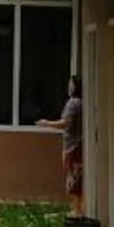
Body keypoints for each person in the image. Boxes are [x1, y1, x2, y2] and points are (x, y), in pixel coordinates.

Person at [38, 74, 86, 217]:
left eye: (71, 84)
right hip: (75, 144)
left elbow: (65, 123)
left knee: (73, 177)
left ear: (75, 86)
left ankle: (78, 211)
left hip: (73, 146)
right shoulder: (81, 103)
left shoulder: (74, 103)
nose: (68, 86)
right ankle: (78, 209)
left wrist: (47, 124)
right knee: (75, 177)